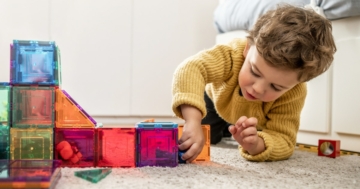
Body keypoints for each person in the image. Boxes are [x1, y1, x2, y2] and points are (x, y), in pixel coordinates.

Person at [172, 4, 336, 162]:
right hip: (216, 101)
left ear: (297, 83)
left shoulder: (294, 93)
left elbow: (284, 140)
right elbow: (190, 69)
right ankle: (226, 131)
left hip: (254, 118)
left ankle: (239, 132)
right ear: (248, 49)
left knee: (251, 135)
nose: (257, 88)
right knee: (204, 138)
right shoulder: (231, 53)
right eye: (255, 72)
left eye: (276, 87)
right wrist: (192, 120)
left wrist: (256, 144)